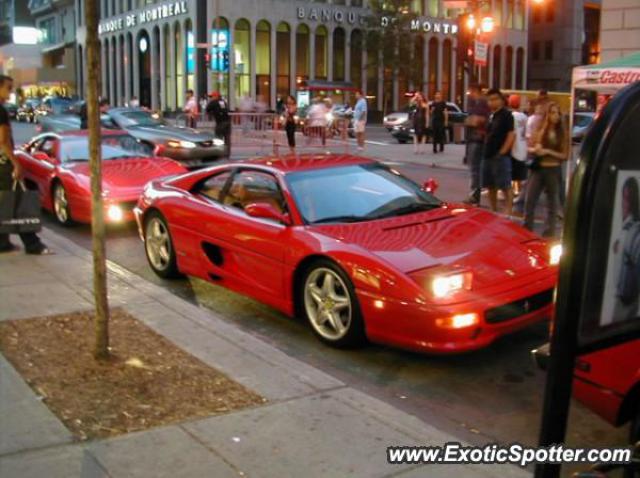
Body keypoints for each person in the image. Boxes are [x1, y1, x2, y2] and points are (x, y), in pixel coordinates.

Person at [0, 75, 49, 255]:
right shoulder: (1, 111)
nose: (10, 92)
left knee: (4, 202)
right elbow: (3, 140)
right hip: (4, 164)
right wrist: (16, 164)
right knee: (20, 202)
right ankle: (32, 243)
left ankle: (3, 242)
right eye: (8, 88)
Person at [523, 102, 568, 237]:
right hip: (538, 168)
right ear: (547, 115)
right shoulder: (539, 130)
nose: (555, 116)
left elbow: (565, 155)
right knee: (529, 201)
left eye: (557, 113)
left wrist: (548, 151)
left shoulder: (562, 133)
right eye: (552, 113)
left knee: (552, 204)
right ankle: (527, 230)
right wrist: (535, 149)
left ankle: (549, 233)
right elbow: (529, 148)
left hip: (553, 169)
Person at [482, 88, 515, 215]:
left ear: (501, 100)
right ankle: (493, 210)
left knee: (505, 185)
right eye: (489, 100)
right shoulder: (492, 116)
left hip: (500, 156)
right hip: (488, 154)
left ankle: (508, 211)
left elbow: (511, 135)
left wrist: (502, 152)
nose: (492, 102)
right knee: (490, 185)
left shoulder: (506, 115)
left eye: (495, 99)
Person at [614, 177, 640, 321]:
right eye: (623, 199)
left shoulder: (634, 231)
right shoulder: (623, 229)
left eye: (627, 200)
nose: (624, 206)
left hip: (627, 301)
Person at [463, 84, 490, 205]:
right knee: (474, 168)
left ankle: (474, 195)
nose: (470, 95)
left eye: (471, 92)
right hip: (473, 139)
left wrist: (471, 120)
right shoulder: (476, 104)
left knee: (475, 169)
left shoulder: (482, 103)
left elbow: (477, 121)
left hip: (477, 139)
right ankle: (474, 194)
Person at [509, 95, 528, 200]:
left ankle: (513, 192)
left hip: (513, 147)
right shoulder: (524, 117)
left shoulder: (510, 116)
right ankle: (519, 191)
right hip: (522, 146)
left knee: (512, 172)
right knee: (519, 173)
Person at [206, 92, 231, 157]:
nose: (211, 98)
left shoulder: (214, 102)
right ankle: (227, 154)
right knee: (227, 139)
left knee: (218, 138)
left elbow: (207, 109)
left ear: (216, 96)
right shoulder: (223, 102)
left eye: (212, 97)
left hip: (220, 123)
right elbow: (226, 110)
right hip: (227, 122)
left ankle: (219, 153)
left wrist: (212, 112)